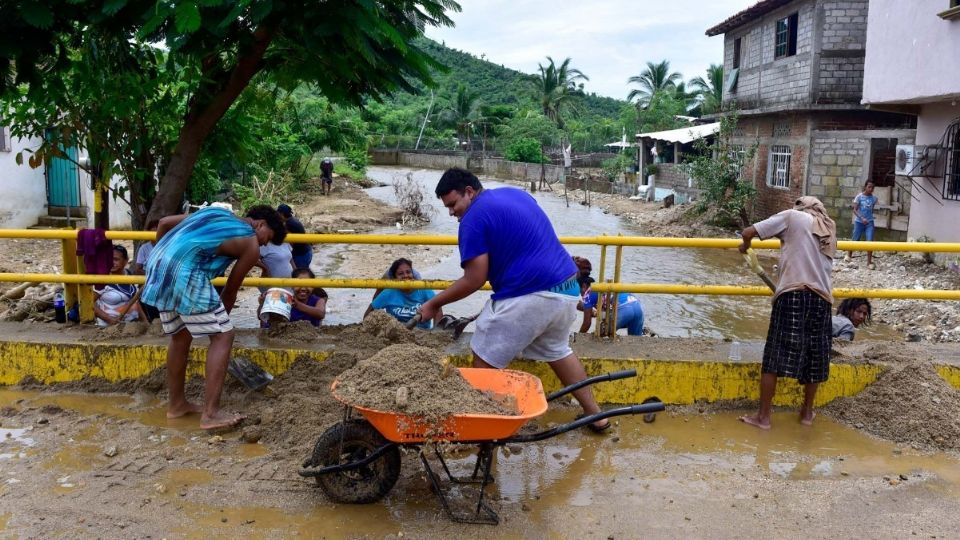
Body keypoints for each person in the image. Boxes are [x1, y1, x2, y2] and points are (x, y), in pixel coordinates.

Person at [417, 168, 609, 432]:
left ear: (469, 192)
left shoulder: (473, 219)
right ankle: (597, 416)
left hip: (533, 294)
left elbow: (474, 279)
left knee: (484, 355)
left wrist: (434, 303)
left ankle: (485, 427)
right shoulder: (514, 194)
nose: (452, 212)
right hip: (566, 288)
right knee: (557, 350)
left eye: (453, 204)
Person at [140, 205, 286, 431]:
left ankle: (177, 405)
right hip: (186, 271)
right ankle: (211, 414)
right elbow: (230, 290)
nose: (264, 245)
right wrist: (219, 329)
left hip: (158, 262)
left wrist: (166, 256)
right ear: (261, 224)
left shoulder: (216, 213)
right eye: (268, 239)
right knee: (224, 336)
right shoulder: (251, 243)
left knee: (180, 337)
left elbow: (164, 222)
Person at [737, 196, 837, 430]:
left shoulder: (792, 217)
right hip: (822, 299)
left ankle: (763, 417)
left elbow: (748, 231)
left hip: (792, 293)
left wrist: (745, 247)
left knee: (774, 356)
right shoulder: (829, 228)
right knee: (815, 359)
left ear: (801, 207)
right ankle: (806, 413)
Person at [365, 258, 442, 329]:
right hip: (397, 334)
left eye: (408, 272)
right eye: (400, 274)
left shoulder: (423, 289)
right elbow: (371, 310)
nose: (405, 276)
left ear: (413, 274)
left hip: (423, 332)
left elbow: (438, 310)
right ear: (395, 278)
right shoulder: (388, 292)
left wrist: (435, 331)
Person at [94, 245, 146, 326]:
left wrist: (145, 321)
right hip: (109, 327)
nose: (111, 262)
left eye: (116, 259)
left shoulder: (129, 275)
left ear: (126, 261)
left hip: (132, 326)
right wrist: (109, 319)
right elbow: (90, 303)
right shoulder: (102, 278)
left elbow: (134, 301)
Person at [577, 275, 644, 335]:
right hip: (637, 306)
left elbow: (587, 324)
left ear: (584, 286)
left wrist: (578, 337)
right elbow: (604, 311)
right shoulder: (603, 287)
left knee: (601, 334)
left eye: (579, 291)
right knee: (634, 339)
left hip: (624, 309)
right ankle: (644, 331)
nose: (581, 294)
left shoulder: (588, 293)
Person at [845, 181, 878, 269]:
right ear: (865, 187)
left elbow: (871, 210)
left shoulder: (874, 198)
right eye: (869, 187)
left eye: (872, 188)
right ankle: (849, 256)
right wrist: (862, 218)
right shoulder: (859, 197)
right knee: (855, 239)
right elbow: (855, 210)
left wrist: (869, 218)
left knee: (870, 241)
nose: (871, 189)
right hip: (859, 222)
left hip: (869, 222)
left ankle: (869, 262)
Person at [277, 204, 313, 269]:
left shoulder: (288, 224)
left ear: (281, 214)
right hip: (307, 251)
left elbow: (291, 243)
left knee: (300, 275)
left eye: (278, 214)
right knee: (305, 273)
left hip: (300, 255)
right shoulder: (293, 220)